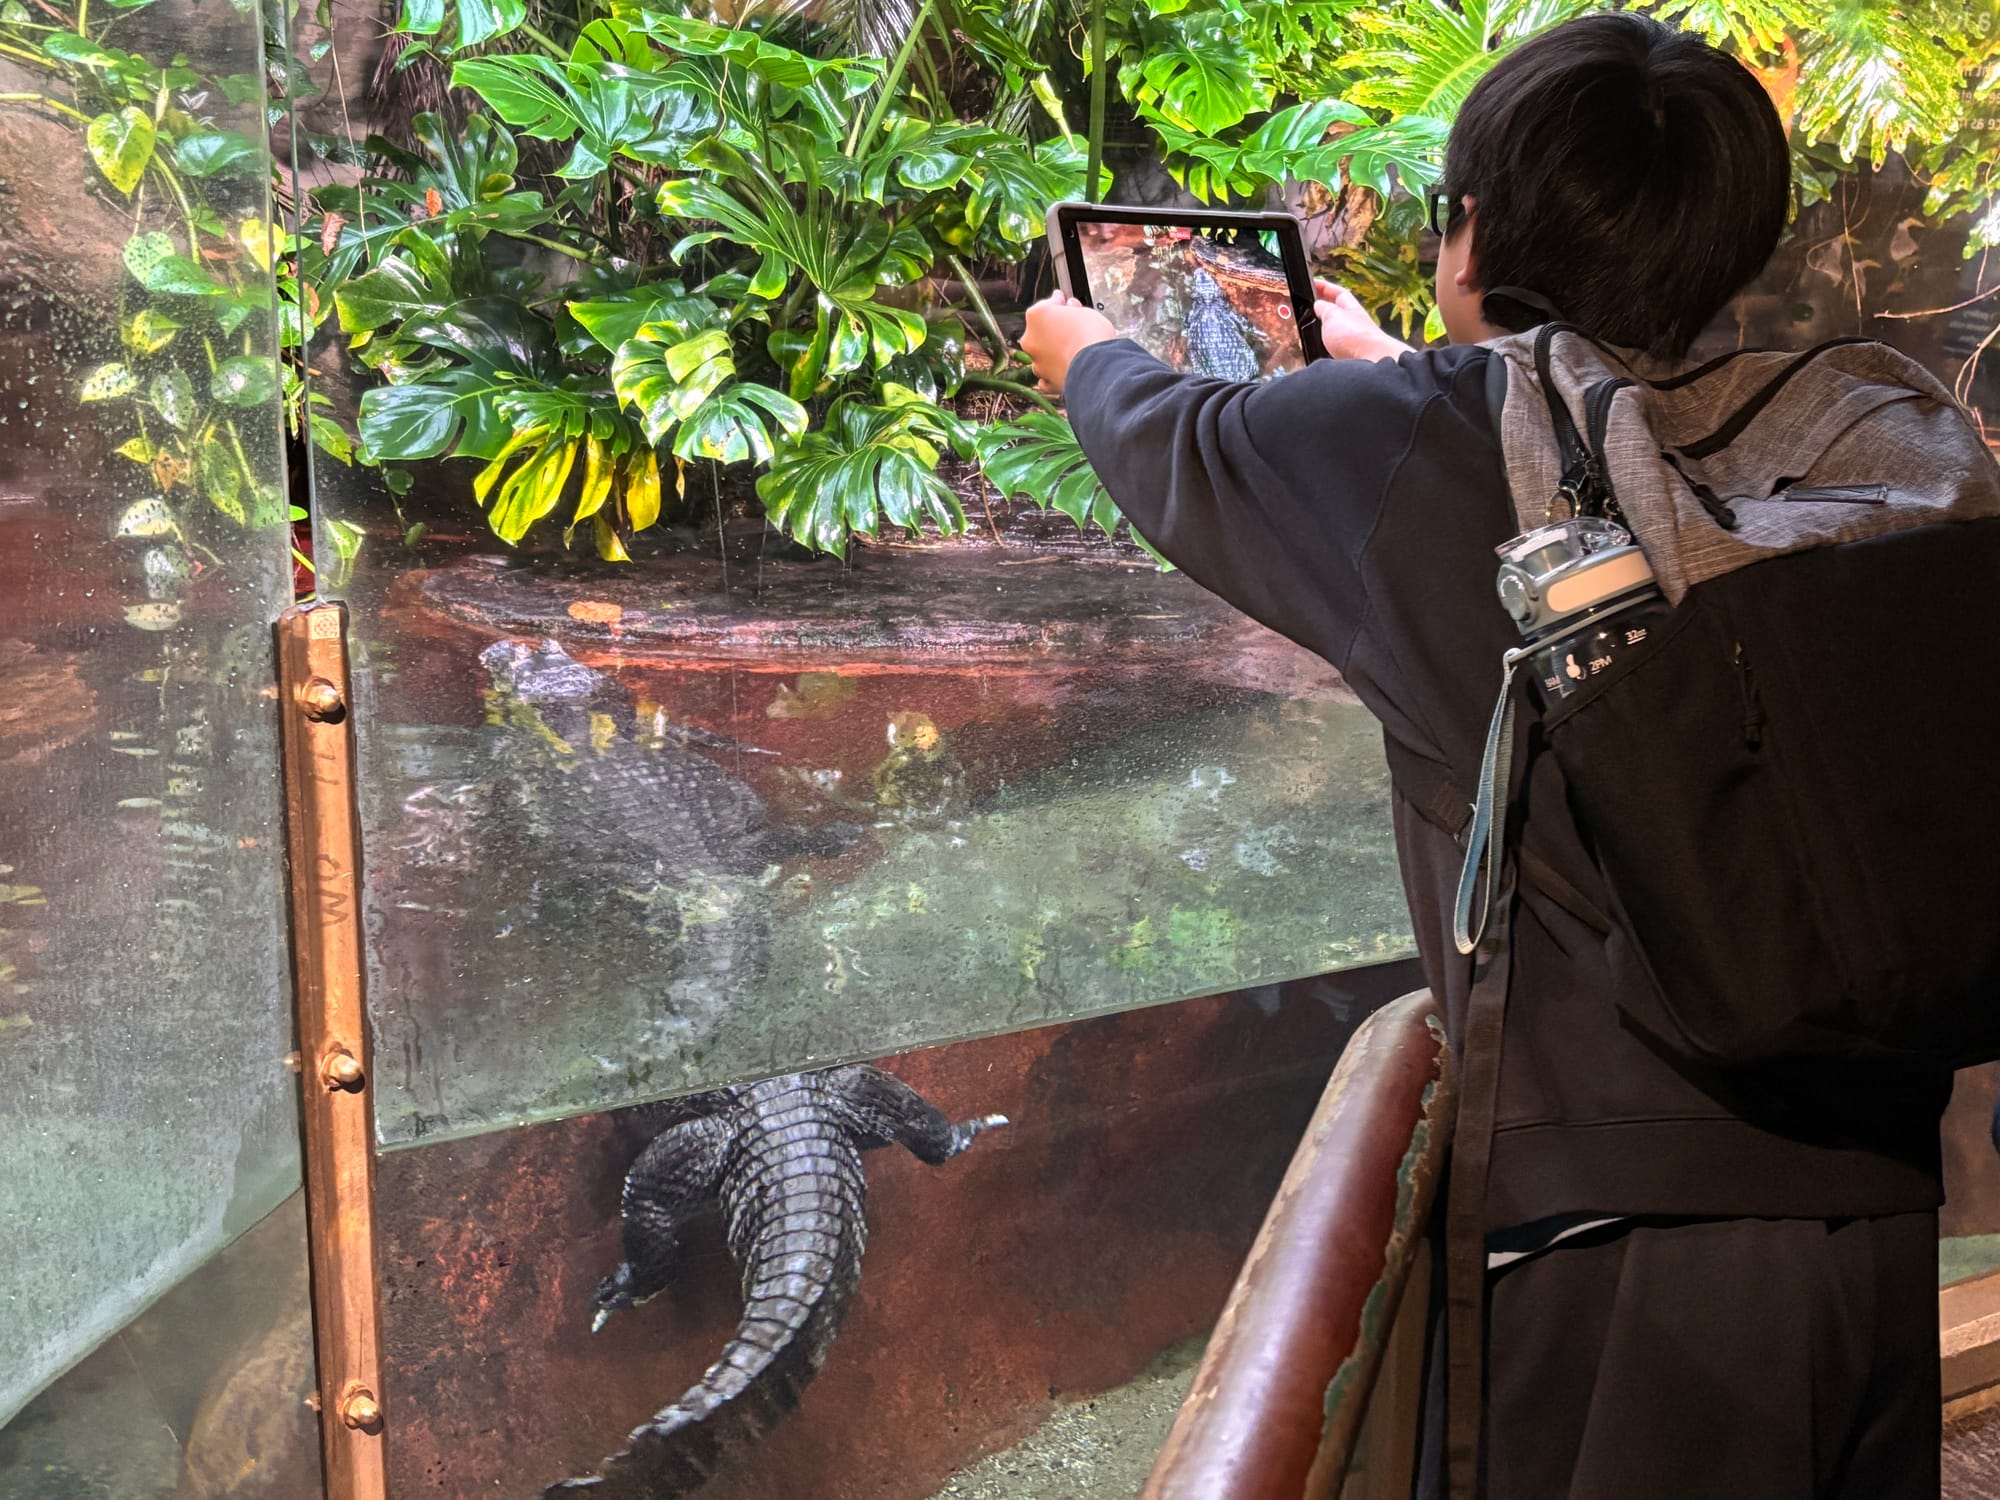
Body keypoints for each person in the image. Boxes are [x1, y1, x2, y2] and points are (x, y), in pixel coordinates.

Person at [1021, 13, 1945, 1500]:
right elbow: (1593, 453)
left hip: (1617, 1252)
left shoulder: (1407, 447)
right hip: (1875, 1206)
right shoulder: (1858, 431)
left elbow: (1178, 437)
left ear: (1473, 228)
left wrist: (1086, 353)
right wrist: (1407, 366)